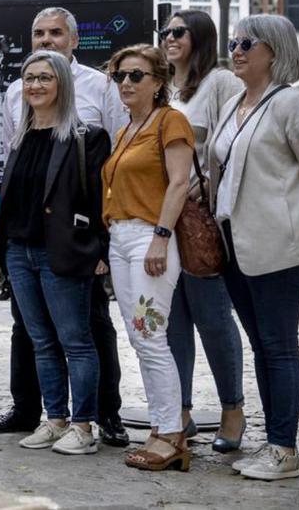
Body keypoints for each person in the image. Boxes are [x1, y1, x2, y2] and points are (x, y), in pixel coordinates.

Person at [0, 7, 130, 448]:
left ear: (73, 40)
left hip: (69, 246)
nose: (46, 41)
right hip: (23, 248)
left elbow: (110, 171)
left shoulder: (100, 92)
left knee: (85, 334)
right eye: (38, 34)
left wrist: (101, 246)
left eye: (55, 33)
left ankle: (99, 418)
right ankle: (51, 416)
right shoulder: (16, 100)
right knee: (37, 337)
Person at [207, 15, 299, 481]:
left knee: (279, 346)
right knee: (262, 347)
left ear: (275, 50)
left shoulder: (293, 103)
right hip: (233, 242)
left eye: (248, 42)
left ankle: (284, 450)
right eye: (234, 42)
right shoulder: (234, 103)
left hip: (280, 245)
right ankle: (274, 442)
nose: (237, 49)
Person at [101, 43, 194, 471]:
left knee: (151, 336)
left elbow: (179, 184)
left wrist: (161, 236)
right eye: (120, 75)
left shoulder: (170, 121)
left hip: (148, 239)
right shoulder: (124, 130)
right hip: (121, 239)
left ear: (158, 83)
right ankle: (162, 426)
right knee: (140, 337)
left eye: (136, 75)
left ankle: (172, 434)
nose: (126, 82)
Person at [158, 10, 245, 449]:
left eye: (178, 31)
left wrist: (209, 180)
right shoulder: (162, 86)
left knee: (213, 319)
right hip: (159, 217)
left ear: (201, 37)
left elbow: (236, 144)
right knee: (171, 321)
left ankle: (233, 410)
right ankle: (182, 411)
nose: (169, 38)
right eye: (165, 32)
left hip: (197, 218)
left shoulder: (220, 82)